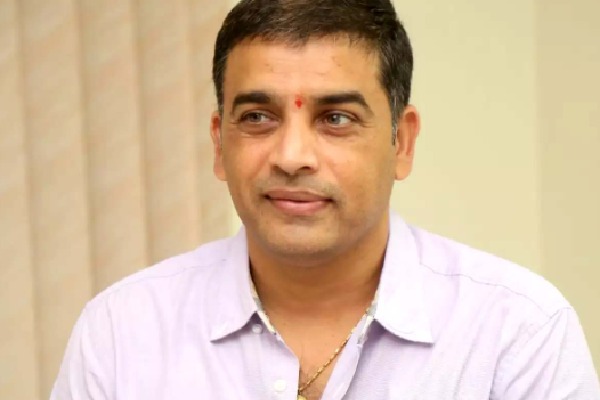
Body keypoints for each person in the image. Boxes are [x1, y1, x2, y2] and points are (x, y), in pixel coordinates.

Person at [51, 0, 600, 399]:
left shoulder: (515, 333)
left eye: (336, 118)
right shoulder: (122, 335)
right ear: (219, 144)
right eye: (258, 117)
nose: (292, 156)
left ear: (402, 143)